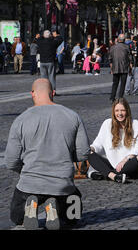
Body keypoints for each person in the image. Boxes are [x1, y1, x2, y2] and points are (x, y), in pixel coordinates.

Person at [5, 78, 90, 230]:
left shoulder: (21, 120)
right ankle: (53, 207)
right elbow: (83, 153)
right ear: (53, 93)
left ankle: (29, 210)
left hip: (30, 184)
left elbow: (11, 161)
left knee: (16, 217)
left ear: (32, 94)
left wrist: (25, 170)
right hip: (63, 184)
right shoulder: (72, 116)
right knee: (74, 216)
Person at [88, 98, 138, 183]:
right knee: (89, 153)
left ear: (127, 111)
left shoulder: (135, 123)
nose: (120, 114)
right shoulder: (107, 123)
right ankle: (113, 176)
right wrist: (91, 149)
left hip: (127, 165)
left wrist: (125, 160)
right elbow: (98, 144)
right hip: (112, 165)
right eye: (117, 111)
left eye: (122, 110)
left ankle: (107, 173)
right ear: (113, 112)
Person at [35, 30, 63, 95]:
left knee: (43, 78)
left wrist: (44, 36)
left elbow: (37, 38)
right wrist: (53, 36)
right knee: (51, 77)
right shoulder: (53, 42)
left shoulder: (40, 41)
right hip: (50, 61)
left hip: (42, 62)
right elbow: (60, 38)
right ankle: (53, 91)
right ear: (50, 35)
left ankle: (45, 91)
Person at [109, 34, 132, 103]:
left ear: (118, 39)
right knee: (123, 84)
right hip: (124, 68)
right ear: (124, 40)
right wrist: (130, 69)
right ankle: (120, 97)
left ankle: (112, 98)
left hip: (115, 68)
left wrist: (111, 69)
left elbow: (110, 59)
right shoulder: (127, 47)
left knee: (115, 83)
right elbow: (130, 59)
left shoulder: (112, 47)